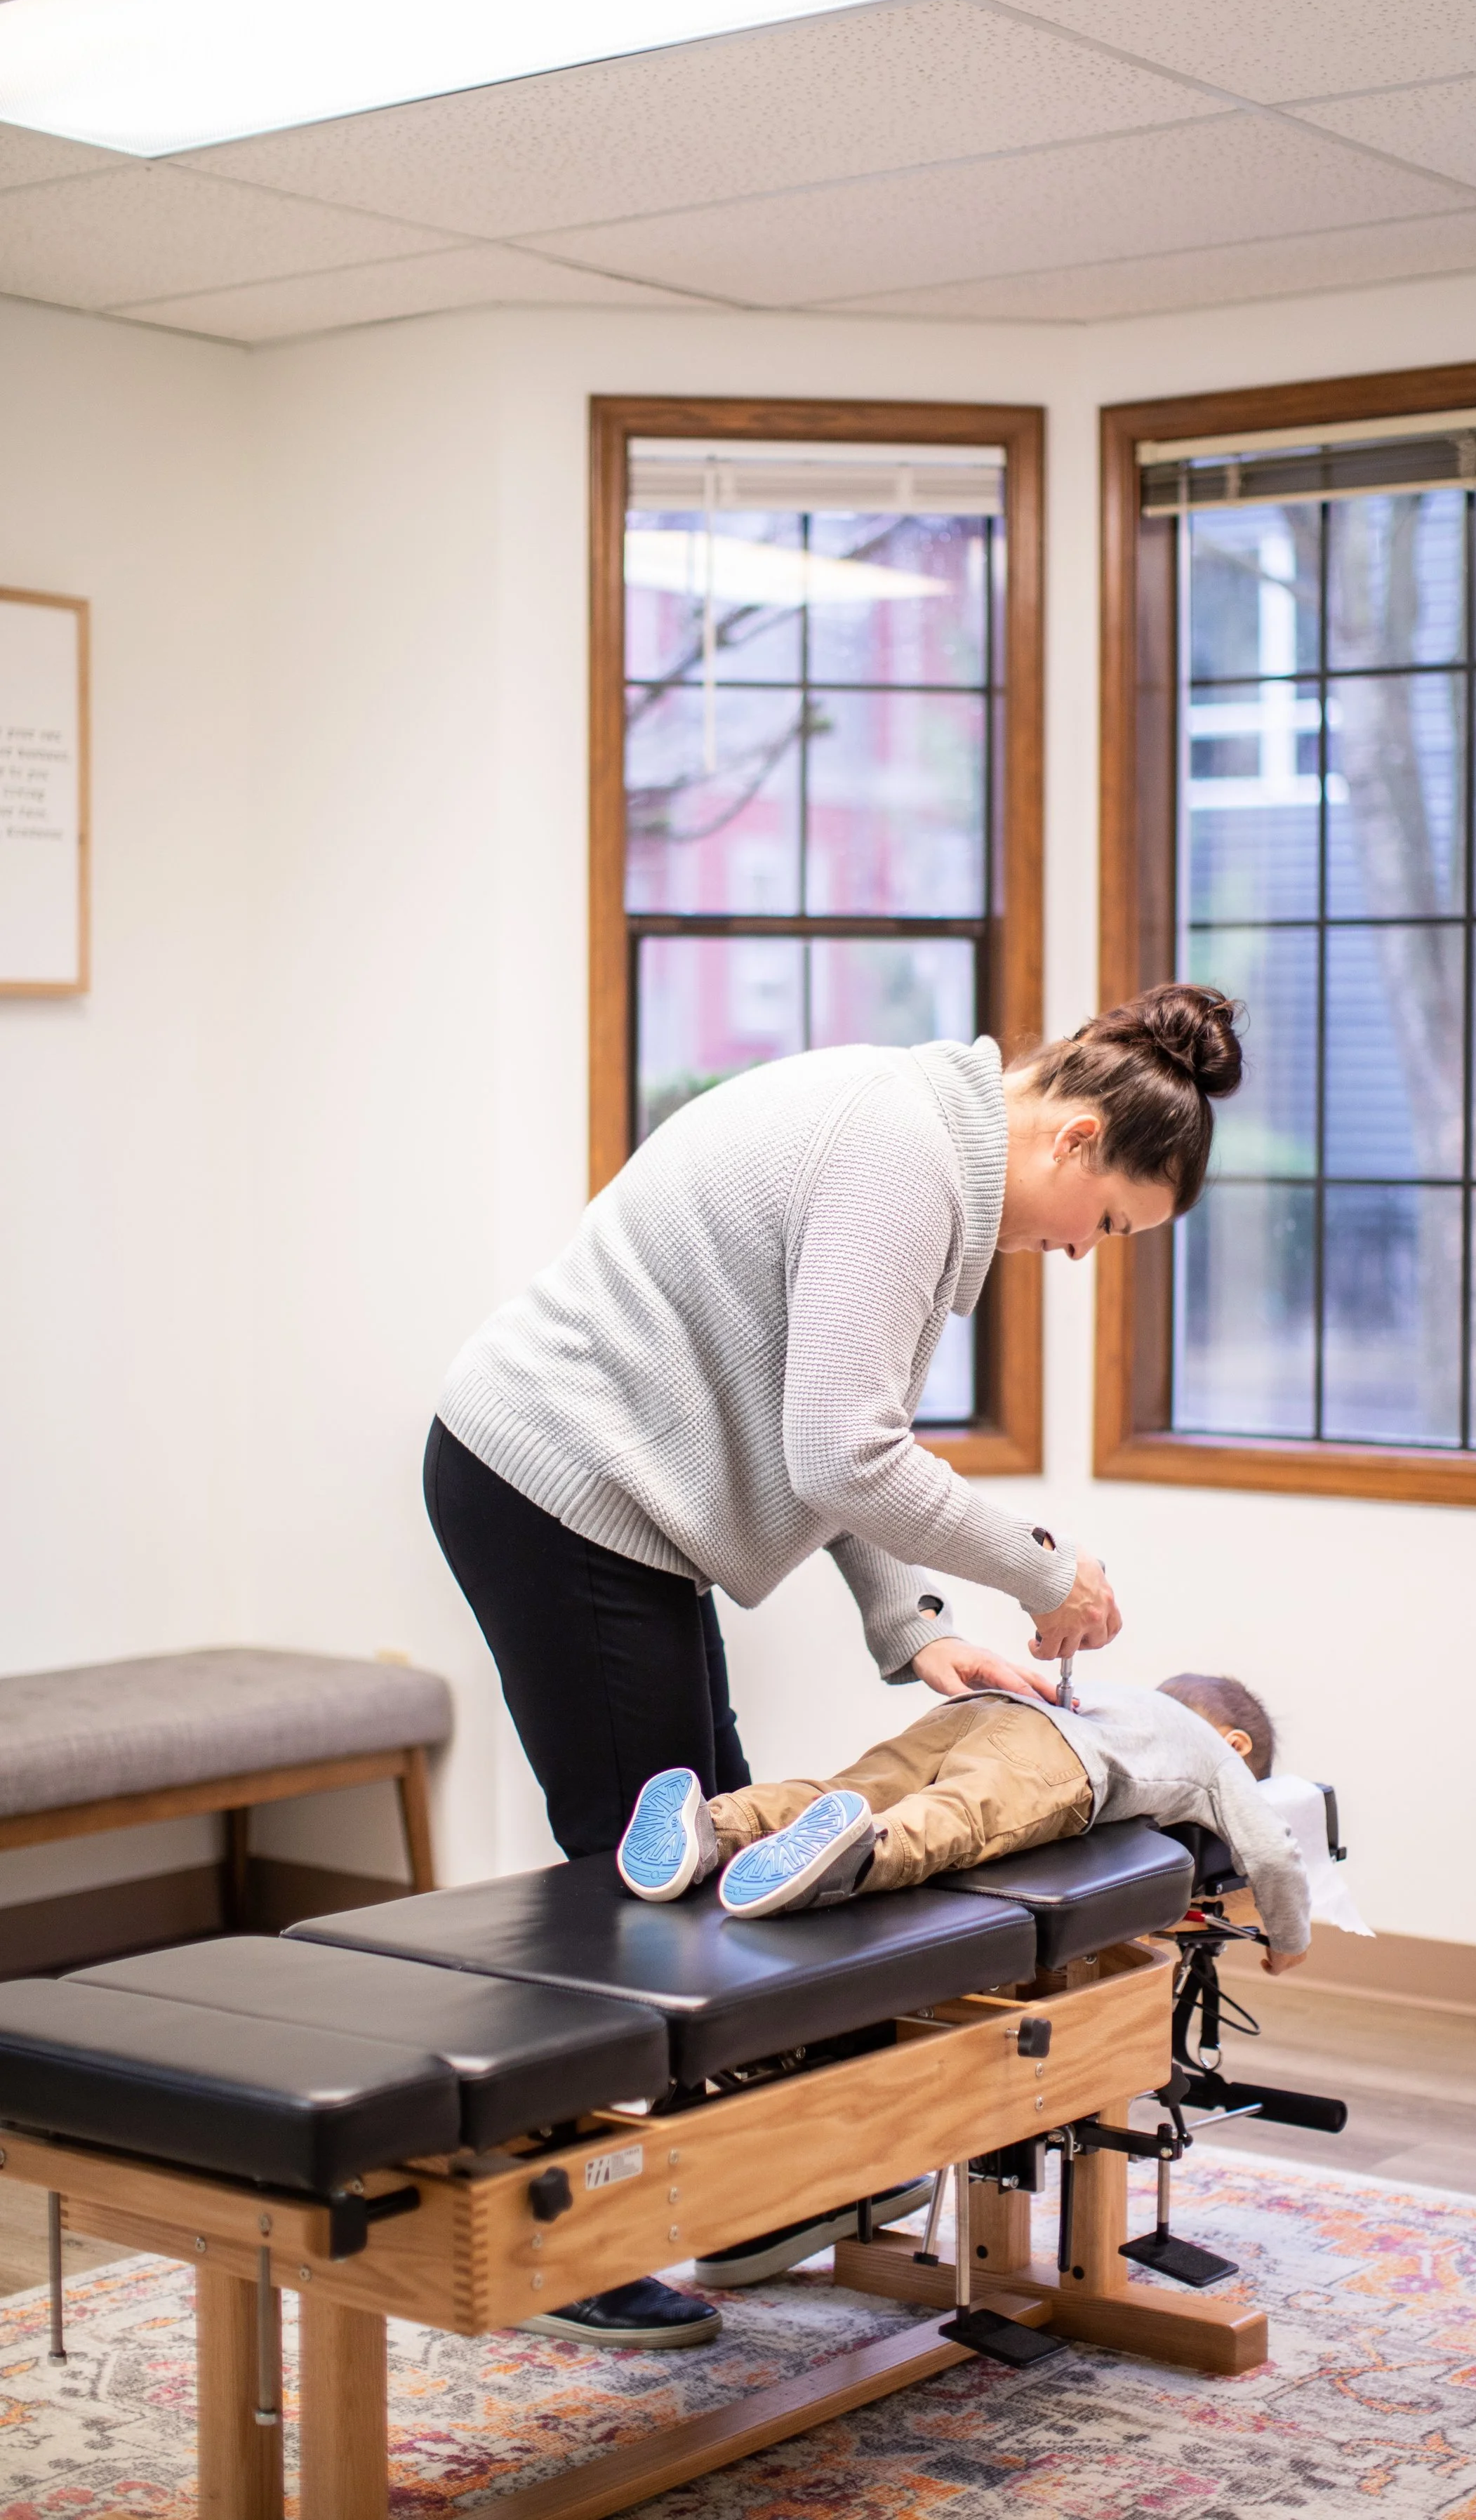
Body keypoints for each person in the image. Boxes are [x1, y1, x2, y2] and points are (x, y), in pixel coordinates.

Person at [425, 982, 1242, 2345]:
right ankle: (563, 2240)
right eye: (1108, 1225)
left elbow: (833, 1437)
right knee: (634, 1880)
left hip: (616, 1507)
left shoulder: (931, 1143)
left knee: (715, 1857)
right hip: (551, 1481)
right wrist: (1044, 1569)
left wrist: (915, 1629)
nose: (1089, 1254)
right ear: (1077, 1143)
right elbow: (843, 1457)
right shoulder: (902, 1153)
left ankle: (739, 2205)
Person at [617, 1671, 1312, 1970]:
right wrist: (1288, 1938)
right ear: (1236, 1744)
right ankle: (857, 1851)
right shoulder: (1215, 1756)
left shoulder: (1122, 1695)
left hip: (988, 1705)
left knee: (853, 1784)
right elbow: (1273, 1852)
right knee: (951, 1819)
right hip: (1057, 1758)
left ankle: (715, 1821)